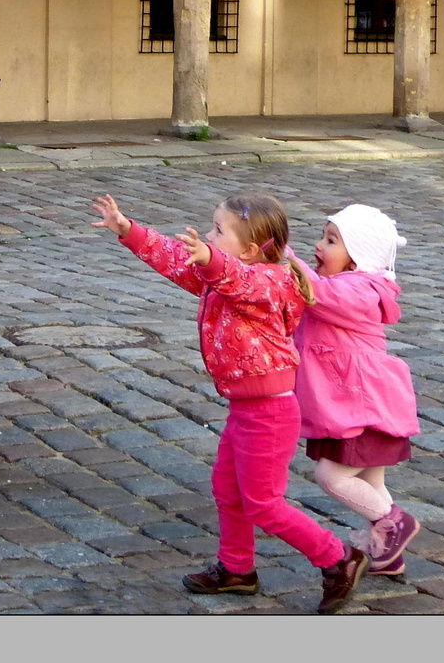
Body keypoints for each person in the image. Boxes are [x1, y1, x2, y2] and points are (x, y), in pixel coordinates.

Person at [91, 191, 371, 615]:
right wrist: (128, 230)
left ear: (253, 249)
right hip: (245, 408)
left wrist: (211, 259)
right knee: (228, 490)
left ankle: (338, 558)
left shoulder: (272, 280)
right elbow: (175, 258)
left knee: (264, 503)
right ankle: (237, 569)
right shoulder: (219, 272)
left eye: (218, 231)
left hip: (271, 412)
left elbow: (241, 281)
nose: (207, 235)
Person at [289, 205, 421, 577]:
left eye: (331, 240)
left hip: (359, 404)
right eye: (323, 236)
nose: (319, 245)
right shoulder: (345, 284)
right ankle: (388, 554)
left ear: (358, 257)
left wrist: (289, 262)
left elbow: (318, 295)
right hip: (353, 402)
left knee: (331, 477)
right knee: (369, 480)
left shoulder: (360, 290)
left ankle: (394, 523)